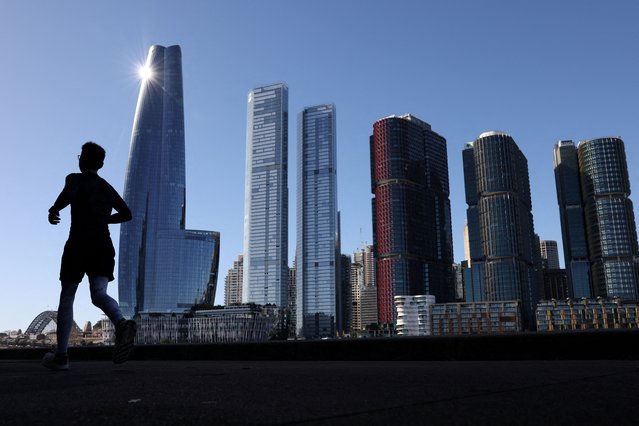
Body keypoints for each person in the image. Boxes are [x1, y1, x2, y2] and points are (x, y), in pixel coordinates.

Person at [42, 142, 136, 370]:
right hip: (103, 245)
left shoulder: (75, 178)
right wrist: (104, 219)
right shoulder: (107, 187)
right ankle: (121, 323)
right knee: (99, 294)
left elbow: (69, 193)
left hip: (78, 243)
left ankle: (62, 356)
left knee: (68, 295)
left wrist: (54, 208)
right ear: (101, 164)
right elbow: (127, 214)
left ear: (81, 159)